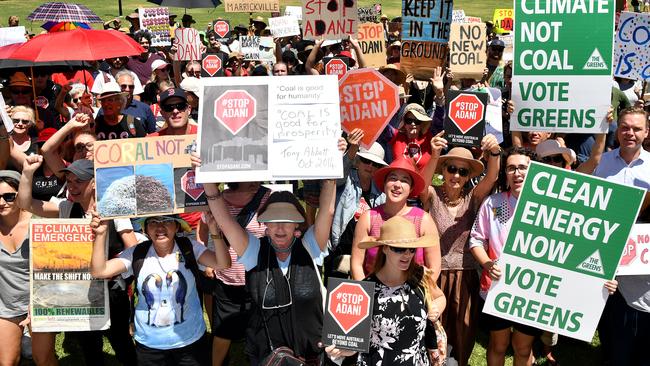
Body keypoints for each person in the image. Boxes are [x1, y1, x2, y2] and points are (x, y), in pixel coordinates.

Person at [196, 138, 345, 365]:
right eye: (273, 221)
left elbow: (328, 210)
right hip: (270, 356)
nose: (280, 228)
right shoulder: (254, 251)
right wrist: (206, 176)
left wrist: (332, 164)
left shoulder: (310, 247)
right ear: (264, 224)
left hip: (313, 353)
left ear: (297, 224)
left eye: (288, 220)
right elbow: (225, 221)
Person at [89, 213, 231, 365]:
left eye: (167, 221)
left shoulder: (189, 247)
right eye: (153, 222)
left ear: (177, 226)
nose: (160, 227)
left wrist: (215, 232)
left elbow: (223, 263)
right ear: (146, 229)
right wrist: (101, 234)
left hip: (190, 341)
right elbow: (100, 271)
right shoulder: (137, 253)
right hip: (150, 345)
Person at [421, 133, 501, 366]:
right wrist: (434, 154)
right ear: (443, 170)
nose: (456, 175)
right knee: (433, 333)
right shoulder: (432, 195)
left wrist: (494, 152)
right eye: (452, 168)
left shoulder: (473, 198)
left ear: (468, 177)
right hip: (433, 277)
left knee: (463, 334)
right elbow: (422, 184)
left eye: (463, 172)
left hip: (466, 278)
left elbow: (493, 176)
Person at [326, 216, 446, 366]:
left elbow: (440, 297)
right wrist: (346, 350)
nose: (407, 254)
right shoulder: (365, 290)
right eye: (399, 249)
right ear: (385, 248)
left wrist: (436, 308)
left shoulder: (420, 276)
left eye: (412, 249)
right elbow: (353, 341)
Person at [469, 147, 540, 366]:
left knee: (523, 347)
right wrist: (487, 264)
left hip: (533, 290)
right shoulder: (494, 204)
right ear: (505, 173)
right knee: (498, 345)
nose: (517, 173)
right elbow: (476, 240)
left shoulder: (547, 206)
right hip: (496, 287)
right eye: (511, 168)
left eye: (523, 168)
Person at [594, 107, 650, 366]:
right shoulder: (602, 163)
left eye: (637, 128)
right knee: (614, 339)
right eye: (625, 127)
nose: (630, 133)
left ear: (646, 132)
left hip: (642, 263)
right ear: (618, 130)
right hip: (607, 261)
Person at [197, 182, 270, 366]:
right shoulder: (216, 201)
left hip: (261, 278)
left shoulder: (268, 198)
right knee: (223, 330)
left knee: (261, 328)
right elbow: (203, 228)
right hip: (228, 278)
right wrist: (205, 259)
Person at [0, 170, 58, 366]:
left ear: (21, 195)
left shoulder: (39, 224)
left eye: (9, 196)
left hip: (40, 302)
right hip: (7, 304)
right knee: (7, 362)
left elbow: (52, 269)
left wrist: (38, 304)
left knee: (43, 360)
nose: (1, 202)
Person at [350, 158, 441, 281]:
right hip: (373, 292)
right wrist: (366, 293)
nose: (397, 185)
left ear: (411, 188)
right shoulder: (368, 218)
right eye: (393, 178)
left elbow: (434, 267)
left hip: (412, 292)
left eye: (404, 181)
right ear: (384, 183)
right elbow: (356, 263)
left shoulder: (424, 220)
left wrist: (418, 294)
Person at [329, 129, 387, 278]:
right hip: (341, 247)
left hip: (367, 253)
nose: (370, 166)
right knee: (337, 294)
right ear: (358, 161)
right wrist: (353, 148)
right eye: (366, 161)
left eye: (375, 164)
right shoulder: (346, 180)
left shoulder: (381, 192)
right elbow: (338, 174)